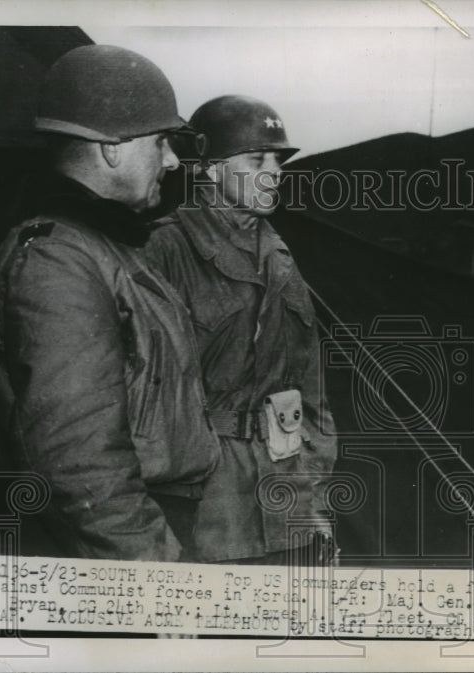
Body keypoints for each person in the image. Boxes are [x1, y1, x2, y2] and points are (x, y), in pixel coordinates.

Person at [0, 45, 220, 561]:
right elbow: (81, 466)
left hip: (151, 524)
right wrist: (158, 582)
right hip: (118, 547)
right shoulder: (60, 263)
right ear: (112, 148)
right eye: (160, 143)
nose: (172, 161)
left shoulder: (109, 247)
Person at [145, 95, 338, 564]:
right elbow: (140, 402)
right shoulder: (163, 251)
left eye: (278, 159)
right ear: (211, 169)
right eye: (257, 159)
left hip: (284, 498)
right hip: (204, 508)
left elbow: (309, 395)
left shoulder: (280, 258)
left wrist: (315, 500)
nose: (275, 171)